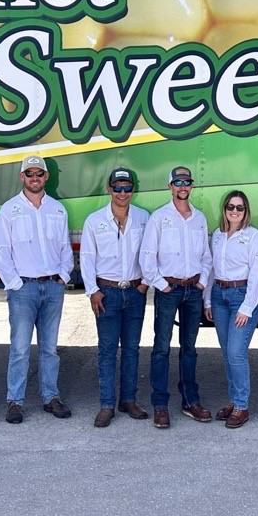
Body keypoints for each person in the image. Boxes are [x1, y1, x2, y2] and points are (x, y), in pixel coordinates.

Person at [0, 155, 73, 424]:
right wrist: (15, 284)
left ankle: (51, 397)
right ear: (22, 177)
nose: (35, 177)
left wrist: (63, 276)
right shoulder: (9, 210)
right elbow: (1, 251)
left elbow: (65, 247)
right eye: (30, 174)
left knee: (50, 348)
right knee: (19, 348)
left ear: (46, 177)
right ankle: (15, 401)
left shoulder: (57, 210)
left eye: (40, 173)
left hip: (52, 288)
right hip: (23, 289)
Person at [139, 165, 213, 429]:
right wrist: (161, 285)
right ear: (170, 186)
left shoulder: (200, 218)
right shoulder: (159, 218)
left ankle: (190, 401)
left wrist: (203, 282)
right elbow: (147, 257)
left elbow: (206, 255)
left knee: (190, 349)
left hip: (193, 290)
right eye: (177, 183)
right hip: (168, 291)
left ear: (191, 186)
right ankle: (160, 405)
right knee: (161, 349)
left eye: (187, 182)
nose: (182, 187)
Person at [79, 167, 151, 428]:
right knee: (107, 350)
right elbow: (87, 258)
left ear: (133, 190)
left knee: (132, 349)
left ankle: (128, 400)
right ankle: (107, 404)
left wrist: (145, 283)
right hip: (106, 292)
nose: (123, 193)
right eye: (118, 188)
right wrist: (92, 291)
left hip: (135, 291)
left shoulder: (144, 218)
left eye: (127, 188)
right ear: (109, 189)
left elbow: (151, 252)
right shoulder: (94, 221)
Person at [204, 190, 258, 429]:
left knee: (236, 353)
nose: (234, 211)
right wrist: (208, 300)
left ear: (246, 211)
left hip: (241, 297)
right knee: (226, 352)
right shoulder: (218, 236)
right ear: (224, 209)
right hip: (219, 296)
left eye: (240, 208)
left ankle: (242, 406)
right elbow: (210, 268)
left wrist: (248, 307)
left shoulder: (253, 237)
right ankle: (233, 401)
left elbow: (257, 274)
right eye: (231, 206)